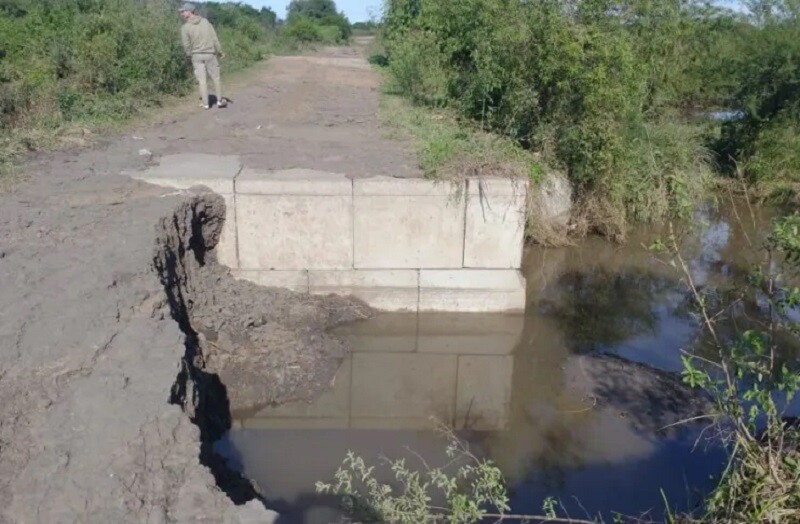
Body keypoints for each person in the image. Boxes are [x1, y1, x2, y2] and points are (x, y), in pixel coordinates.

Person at [179, 2, 227, 109]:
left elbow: (186, 45)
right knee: (216, 78)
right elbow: (214, 38)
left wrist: (189, 54)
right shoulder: (205, 22)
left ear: (190, 12)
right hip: (210, 54)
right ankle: (219, 101)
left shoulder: (185, 27)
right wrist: (220, 51)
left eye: (184, 11)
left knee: (202, 80)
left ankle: (205, 104)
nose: (182, 13)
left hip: (196, 56)